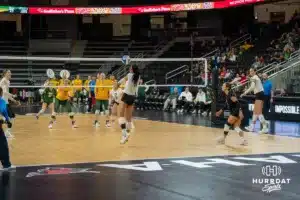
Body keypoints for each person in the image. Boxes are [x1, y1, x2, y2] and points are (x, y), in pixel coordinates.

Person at [241, 68, 268, 133]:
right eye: (250, 71)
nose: (251, 72)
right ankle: (252, 127)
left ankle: (265, 127)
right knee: (255, 112)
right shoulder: (254, 78)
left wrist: (244, 93)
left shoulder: (254, 77)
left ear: (255, 72)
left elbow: (252, 87)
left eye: (252, 71)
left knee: (258, 112)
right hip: (259, 95)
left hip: (259, 95)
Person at [118, 65, 140, 144]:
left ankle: (124, 133)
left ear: (132, 69)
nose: (129, 69)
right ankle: (126, 135)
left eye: (130, 68)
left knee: (120, 116)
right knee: (129, 119)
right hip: (133, 97)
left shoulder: (129, 75)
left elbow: (123, 80)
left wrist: (117, 84)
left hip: (126, 95)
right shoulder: (138, 76)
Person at [0, 70, 20, 137]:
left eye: (10, 72)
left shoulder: (8, 81)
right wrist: (12, 95)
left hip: (6, 102)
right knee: (9, 117)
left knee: (11, 117)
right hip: (2, 102)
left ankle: (7, 132)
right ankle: (7, 132)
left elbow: (6, 94)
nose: (10, 73)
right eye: (8, 72)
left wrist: (14, 100)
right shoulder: (4, 81)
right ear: (5, 74)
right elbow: (5, 92)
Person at [0, 87, 15, 171]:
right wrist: (7, 120)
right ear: (1, 93)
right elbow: (3, 111)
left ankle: (6, 165)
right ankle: (6, 165)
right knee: (3, 145)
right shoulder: (1, 101)